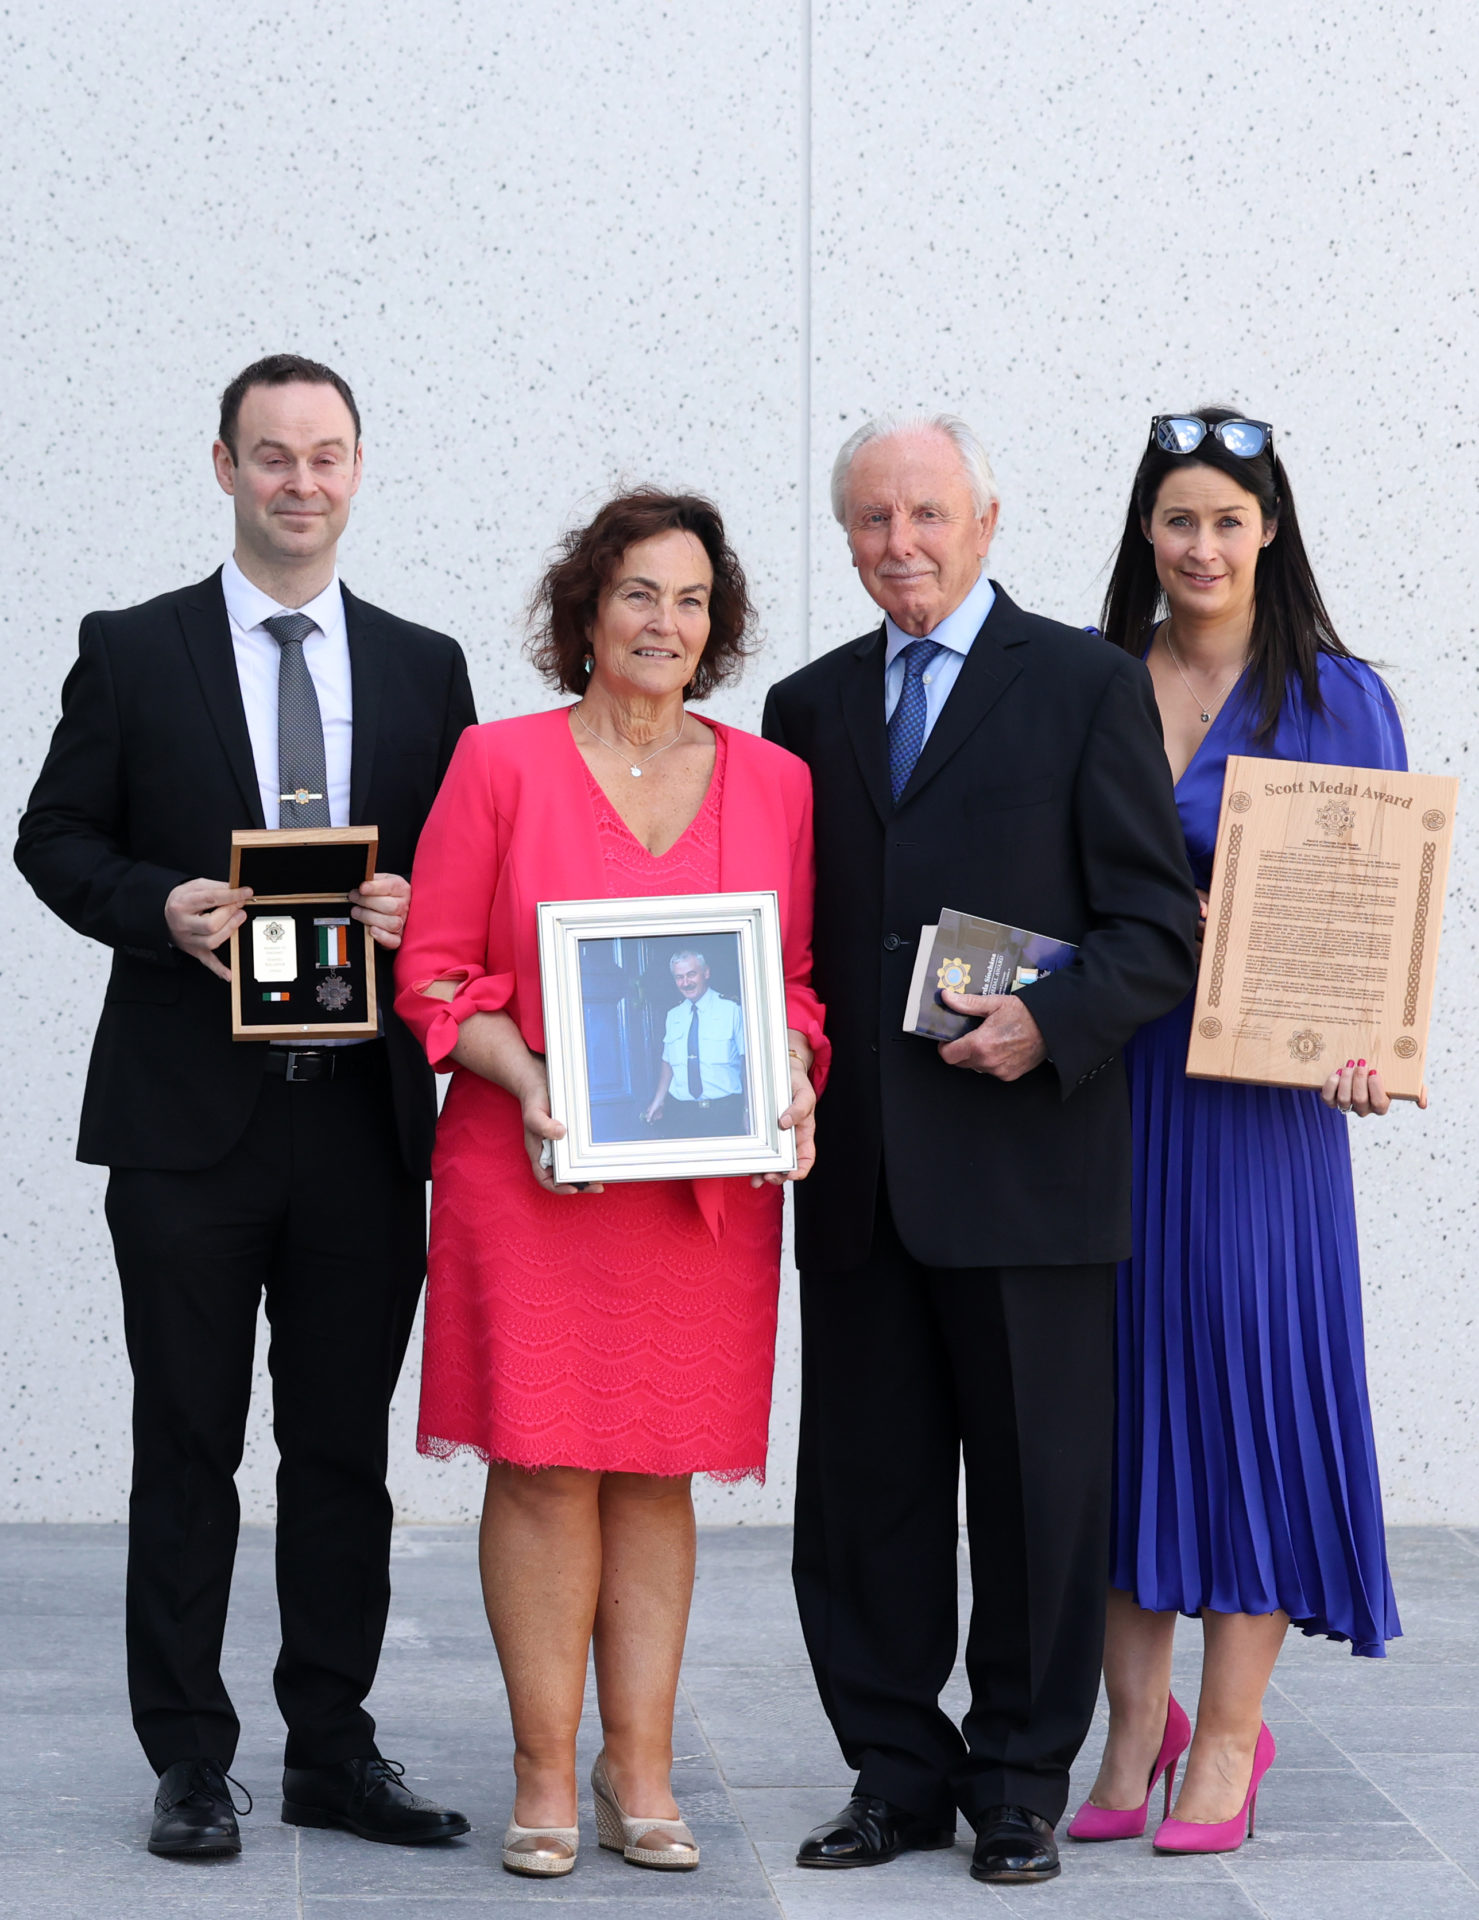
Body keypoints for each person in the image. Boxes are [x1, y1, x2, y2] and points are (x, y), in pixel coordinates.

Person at [13, 355, 476, 1858]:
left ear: (360, 469)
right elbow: (52, 838)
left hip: (358, 1119)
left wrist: (424, 907)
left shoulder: (425, 666)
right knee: (185, 1444)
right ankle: (190, 1761)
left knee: (340, 1455)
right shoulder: (135, 650)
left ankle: (331, 1750)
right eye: (270, 457)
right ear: (222, 467)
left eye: (325, 456)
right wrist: (164, 909)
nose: (299, 482)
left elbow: (468, 878)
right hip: (184, 1122)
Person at [762, 414, 1199, 1886]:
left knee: (1035, 1496)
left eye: (926, 514)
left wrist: (1047, 1025)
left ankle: (1016, 1778)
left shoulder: (1080, 685)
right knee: (865, 1498)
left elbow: (1153, 930)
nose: (901, 543)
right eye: (873, 520)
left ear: (986, 521)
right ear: (847, 538)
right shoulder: (805, 706)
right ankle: (892, 1774)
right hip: (862, 1174)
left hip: (1026, 1166)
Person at [392, 488, 828, 1880]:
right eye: (639, 593)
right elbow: (434, 976)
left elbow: (794, 989)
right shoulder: (497, 763)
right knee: (538, 1470)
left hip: (698, 1199)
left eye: (692, 599)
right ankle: (538, 1768)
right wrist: (530, 1085)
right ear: (586, 610)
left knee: (652, 1478)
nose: (666, 622)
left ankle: (635, 1766)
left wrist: (797, 1074)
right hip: (530, 1173)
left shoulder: (774, 782)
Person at [1067, 408, 1408, 1855]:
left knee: (1249, 1400)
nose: (1199, 545)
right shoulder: (1087, 685)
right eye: (1174, 519)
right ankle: (1127, 1729)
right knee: (1117, 1406)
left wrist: (1358, 1043)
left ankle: (1225, 1738)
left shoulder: (1335, 698)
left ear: (1267, 529)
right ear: (1143, 533)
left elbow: (1378, 914)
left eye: (1224, 518)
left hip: (1263, 1117)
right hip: (1113, 1090)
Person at [644, 948, 747, 1136]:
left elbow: (747, 1062)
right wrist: (658, 1100)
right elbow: (668, 1062)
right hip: (682, 1114)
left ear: (706, 972)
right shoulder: (673, 1015)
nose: (685, 983)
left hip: (725, 1112)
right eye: (679, 977)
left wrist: (750, 1109)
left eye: (691, 974)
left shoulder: (732, 1010)